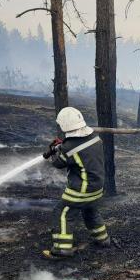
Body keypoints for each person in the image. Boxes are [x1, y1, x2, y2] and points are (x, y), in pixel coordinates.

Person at [41, 107, 110, 259]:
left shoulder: (68, 148)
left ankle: (62, 249)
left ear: (65, 125)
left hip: (80, 190)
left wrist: (54, 151)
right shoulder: (95, 138)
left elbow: (58, 163)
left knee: (62, 213)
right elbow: (82, 151)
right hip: (97, 188)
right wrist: (63, 146)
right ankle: (103, 239)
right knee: (90, 210)